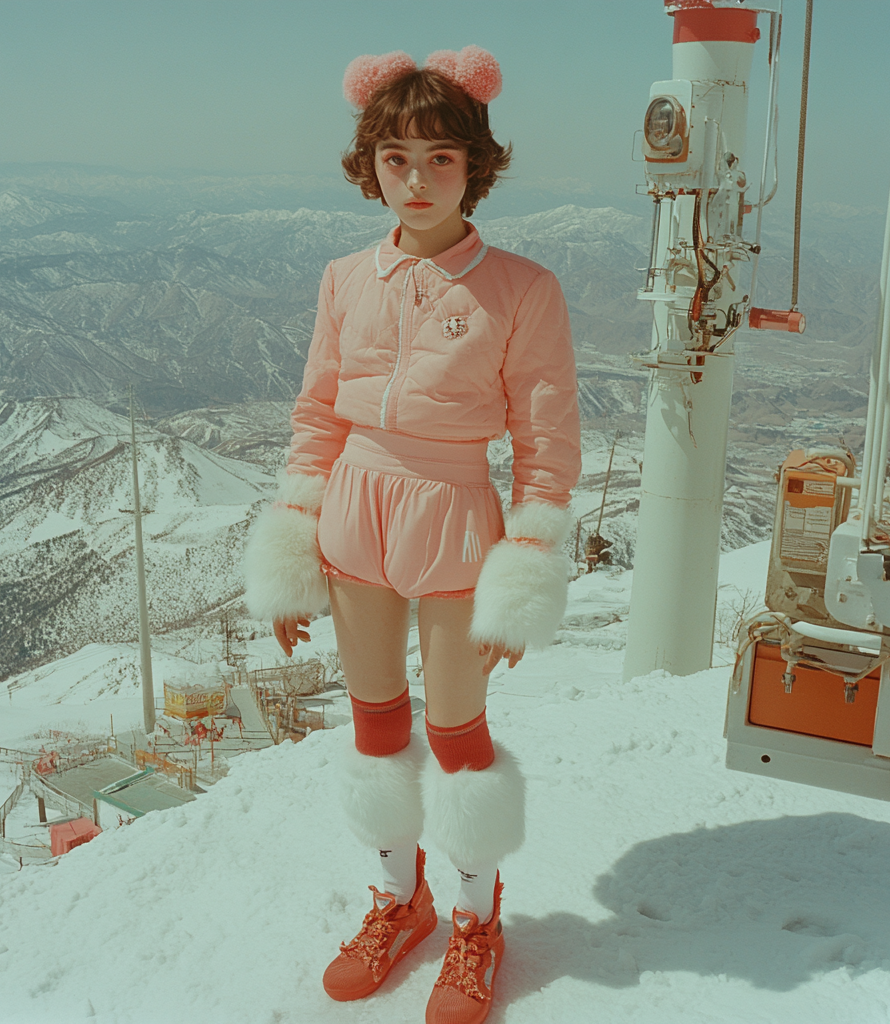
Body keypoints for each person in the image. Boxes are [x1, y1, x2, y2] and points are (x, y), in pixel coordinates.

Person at [243, 45, 580, 1024]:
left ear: (476, 162)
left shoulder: (522, 288)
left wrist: (522, 569)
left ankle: (477, 921)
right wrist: (293, 551)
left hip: (454, 516)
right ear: (370, 167)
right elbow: (317, 417)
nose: (418, 178)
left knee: (456, 733)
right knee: (377, 721)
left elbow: (544, 443)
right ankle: (401, 900)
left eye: (441, 157)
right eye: (397, 158)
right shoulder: (346, 278)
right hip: (354, 510)